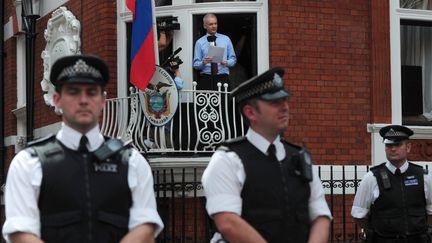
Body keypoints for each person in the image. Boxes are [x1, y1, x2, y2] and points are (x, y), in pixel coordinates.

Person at [2, 54, 164, 243]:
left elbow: (145, 227)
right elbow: (20, 232)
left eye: (92, 92)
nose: (83, 100)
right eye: (73, 92)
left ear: (103, 100)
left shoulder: (132, 162)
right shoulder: (28, 162)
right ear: (57, 100)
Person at [201, 67, 332, 243]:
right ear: (250, 112)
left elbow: (321, 216)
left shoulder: (299, 158)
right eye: (275, 102)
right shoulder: (228, 160)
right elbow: (227, 222)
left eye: (285, 100)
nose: (285, 107)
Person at [351, 125, 432, 243]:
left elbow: (431, 211)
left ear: (408, 147)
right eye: (389, 145)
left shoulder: (423, 176)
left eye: (398, 144)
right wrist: (378, 232)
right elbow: (358, 215)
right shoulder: (372, 178)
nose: (393, 149)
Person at [193, 13, 236, 90]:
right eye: (211, 24)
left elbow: (233, 59)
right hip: (206, 78)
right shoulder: (199, 42)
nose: (214, 26)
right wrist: (203, 62)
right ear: (204, 26)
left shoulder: (226, 39)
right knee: (206, 102)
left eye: (215, 23)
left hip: (223, 78)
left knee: (224, 102)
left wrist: (227, 62)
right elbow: (195, 64)